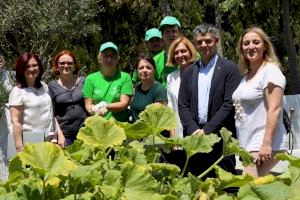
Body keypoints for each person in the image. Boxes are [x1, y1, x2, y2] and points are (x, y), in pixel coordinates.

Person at [178, 24, 241, 177]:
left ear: (216, 41)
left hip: (220, 138)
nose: (203, 45)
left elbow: (229, 104)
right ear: (195, 44)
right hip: (194, 138)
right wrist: (194, 130)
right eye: (199, 42)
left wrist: (207, 131)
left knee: (224, 187)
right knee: (197, 183)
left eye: (208, 41)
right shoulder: (188, 72)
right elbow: (182, 105)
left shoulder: (230, 68)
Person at [232, 27, 288, 177]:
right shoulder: (246, 75)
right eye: (246, 43)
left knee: (248, 187)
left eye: (256, 42)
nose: (251, 47)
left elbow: (274, 109)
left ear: (265, 46)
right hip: (248, 143)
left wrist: (266, 144)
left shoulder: (270, 71)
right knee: (256, 190)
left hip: (263, 143)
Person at [9, 52, 65, 154]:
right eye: (27, 66)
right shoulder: (18, 91)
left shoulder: (44, 86)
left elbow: (51, 115)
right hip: (30, 144)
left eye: (34, 65)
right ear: (21, 69)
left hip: (49, 140)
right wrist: (19, 148)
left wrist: (60, 135)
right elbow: (16, 122)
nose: (32, 69)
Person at [164, 36, 198, 170]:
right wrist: (172, 133)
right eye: (176, 52)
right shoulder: (171, 77)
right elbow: (170, 107)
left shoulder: (199, 72)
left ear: (191, 52)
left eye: (183, 51)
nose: (180, 55)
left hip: (196, 129)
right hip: (178, 130)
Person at [83, 42, 133, 122]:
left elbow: (124, 103)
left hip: (120, 125)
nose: (109, 59)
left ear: (117, 59)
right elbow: (88, 104)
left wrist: (106, 106)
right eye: (105, 56)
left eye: (112, 56)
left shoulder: (125, 77)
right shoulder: (90, 78)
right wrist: (93, 110)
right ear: (99, 59)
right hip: (98, 124)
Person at [48, 50, 87, 146]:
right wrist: (59, 135)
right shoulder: (52, 86)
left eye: (70, 63)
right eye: (62, 63)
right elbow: (52, 115)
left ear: (74, 66)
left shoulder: (84, 81)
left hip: (85, 133)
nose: (66, 66)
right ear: (57, 66)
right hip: (65, 136)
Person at [132, 16, 181, 87]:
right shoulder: (155, 60)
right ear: (162, 35)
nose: (171, 35)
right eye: (167, 31)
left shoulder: (191, 56)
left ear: (179, 33)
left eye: (174, 31)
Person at [130, 54, 167, 122]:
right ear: (137, 71)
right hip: (136, 130)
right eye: (141, 68)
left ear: (154, 70)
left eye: (148, 67)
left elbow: (159, 117)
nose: (144, 70)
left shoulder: (159, 90)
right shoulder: (136, 87)